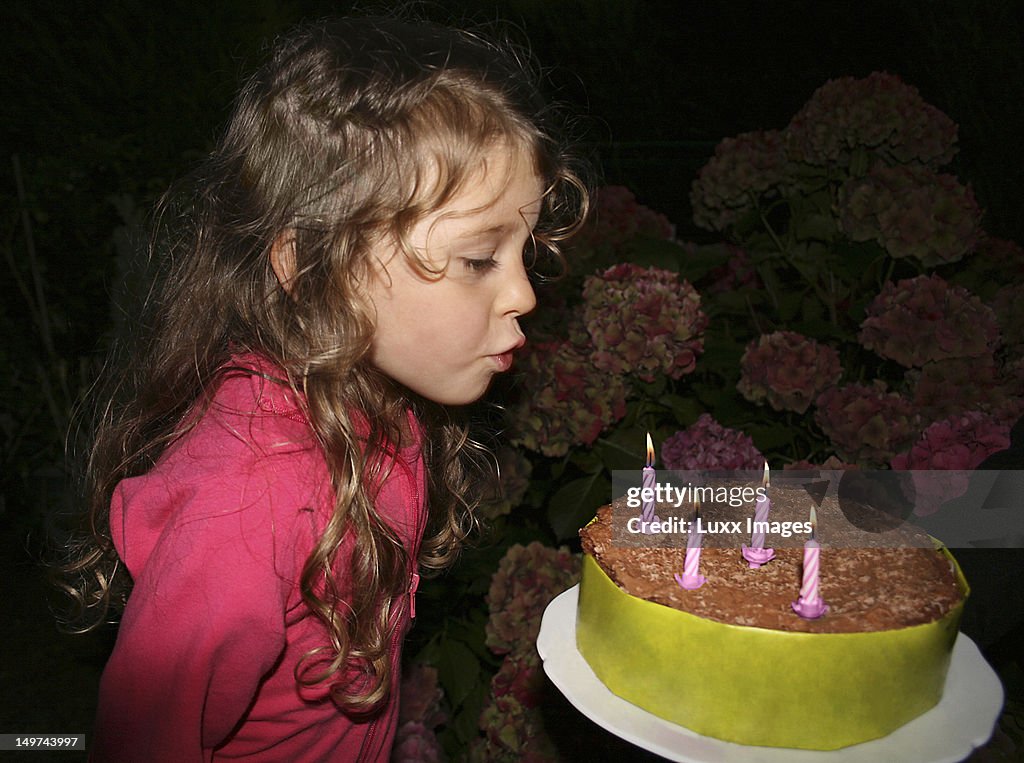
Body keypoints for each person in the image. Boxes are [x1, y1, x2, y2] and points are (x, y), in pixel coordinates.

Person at [63, 14, 587, 761]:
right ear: (313, 267)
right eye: (479, 258)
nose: (525, 295)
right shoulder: (247, 500)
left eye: (524, 251)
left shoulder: (373, 403)